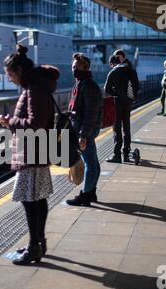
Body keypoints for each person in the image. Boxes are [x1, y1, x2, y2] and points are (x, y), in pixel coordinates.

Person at [0, 45, 57, 265]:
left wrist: (9, 121)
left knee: (30, 201)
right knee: (38, 199)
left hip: (31, 153)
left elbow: (34, 123)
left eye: (10, 74)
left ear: (19, 71)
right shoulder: (36, 87)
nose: (9, 79)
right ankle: (38, 242)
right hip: (36, 151)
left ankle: (34, 247)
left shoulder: (33, 90)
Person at [66, 53, 103, 207]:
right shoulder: (80, 83)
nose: (73, 70)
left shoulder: (89, 86)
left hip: (85, 130)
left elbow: (91, 114)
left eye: (76, 67)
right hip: (82, 129)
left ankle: (85, 195)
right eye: (73, 67)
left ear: (85, 67)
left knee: (90, 163)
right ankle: (91, 192)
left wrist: (83, 135)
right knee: (92, 162)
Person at [104, 54, 133, 163]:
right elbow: (135, 86)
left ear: (112, 63)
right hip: (128, 102)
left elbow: (106, 89)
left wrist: (115, 94)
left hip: (117, 103)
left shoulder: (113, 72)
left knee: (117, 129)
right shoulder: (129, 70)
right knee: (126, 128)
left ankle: (117, 155)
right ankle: (126, 154)